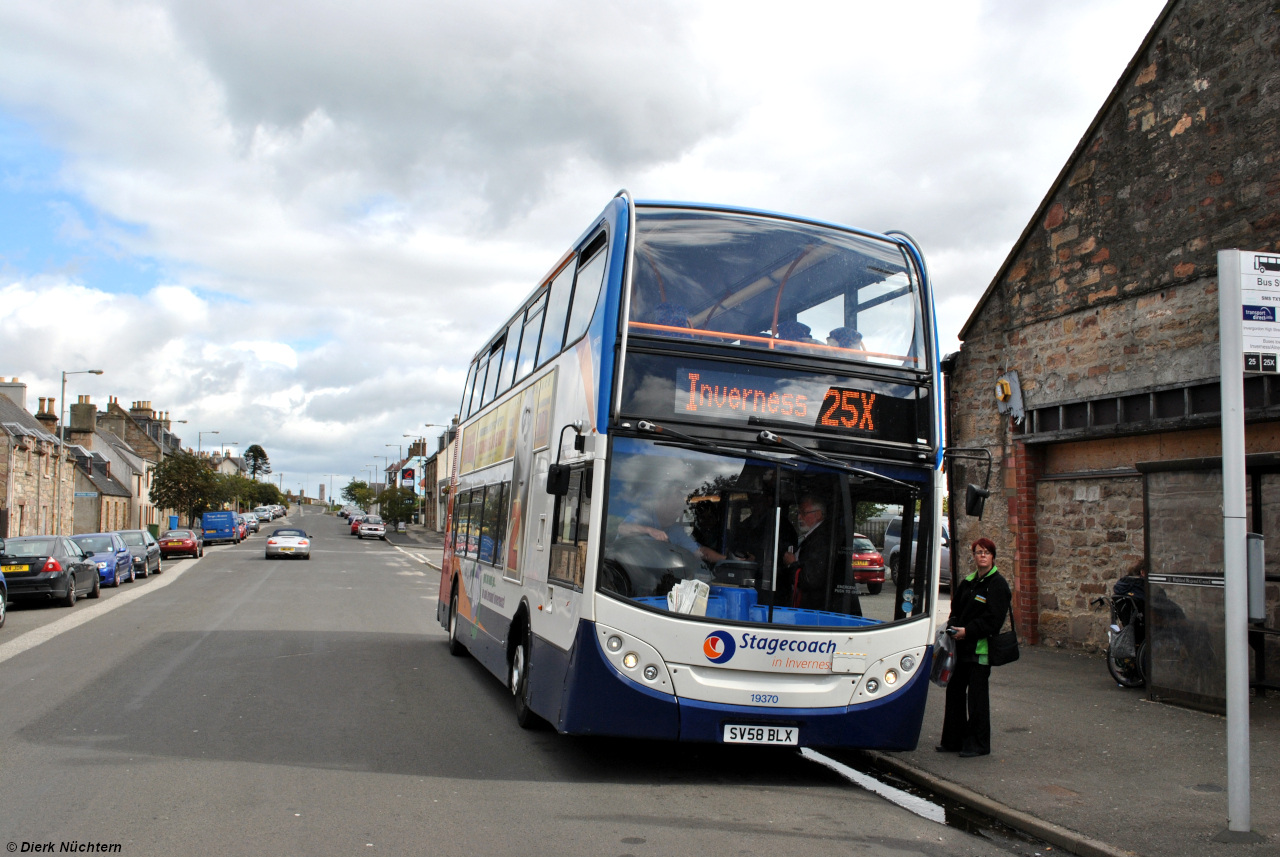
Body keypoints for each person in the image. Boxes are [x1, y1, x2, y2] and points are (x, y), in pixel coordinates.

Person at [938, 537, 1011, 758]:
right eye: (978, 552)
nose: (982, 556)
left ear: (993, 556)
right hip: (959, 648)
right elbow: (955, 610)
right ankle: (953, 741)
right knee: (955, 693)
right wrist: (952, 626)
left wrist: (967, 631)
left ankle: (978, 744)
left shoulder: (998, 585)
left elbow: (993, 620)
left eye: (986, 552)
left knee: (977, 699)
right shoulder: (968, 582)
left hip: (980, 650)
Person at [616, 490, 725, 565]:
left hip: (656, 575)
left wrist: (725, 560)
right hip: (625, 569)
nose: (678, 514)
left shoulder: (676, 529)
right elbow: (623, 528)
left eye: (680, 510)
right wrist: (649, 530)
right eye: (675, 509)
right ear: (661, 504)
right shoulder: (643, 515)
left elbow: (699, 552)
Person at [780, 496, 834, 609]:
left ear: (818, 514)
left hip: (814, 606)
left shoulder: (821, 540)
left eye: (804, 513)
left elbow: (810, 580)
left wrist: (792, 564)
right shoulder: (813, 536)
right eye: (798, 513)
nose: (799, 517)